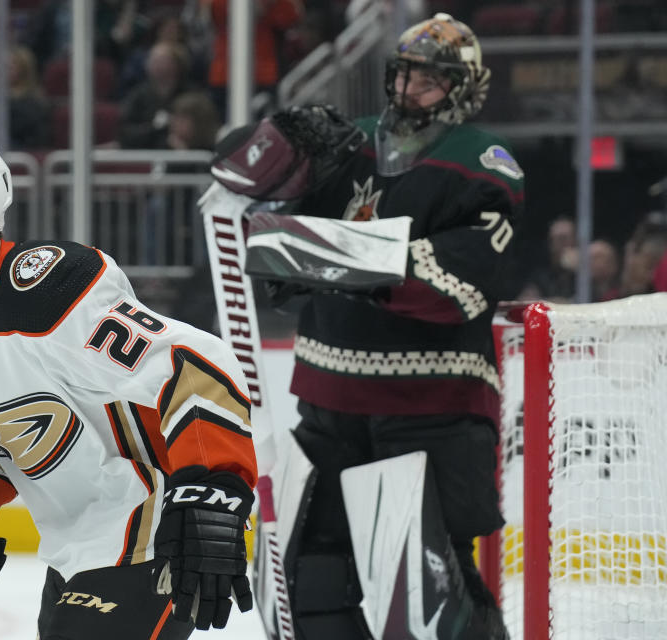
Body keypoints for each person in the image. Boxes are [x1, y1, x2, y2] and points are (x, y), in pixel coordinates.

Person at [0, 135, 258, 638]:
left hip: (149, 533)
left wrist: (213, 487)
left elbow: (196, 364)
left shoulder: (50, 291)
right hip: (70, 550)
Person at [208, 13, 522, 639]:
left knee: (433, 599)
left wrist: (321, 252)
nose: (411, 89)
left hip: (432, 413)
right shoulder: (348, 143)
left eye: (430, 80)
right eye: (404, 74)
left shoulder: (486, 165)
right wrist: (267, 151)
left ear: (463, 88)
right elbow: (267, 252)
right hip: (328, 408)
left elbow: (452, 286)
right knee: (304, 589)